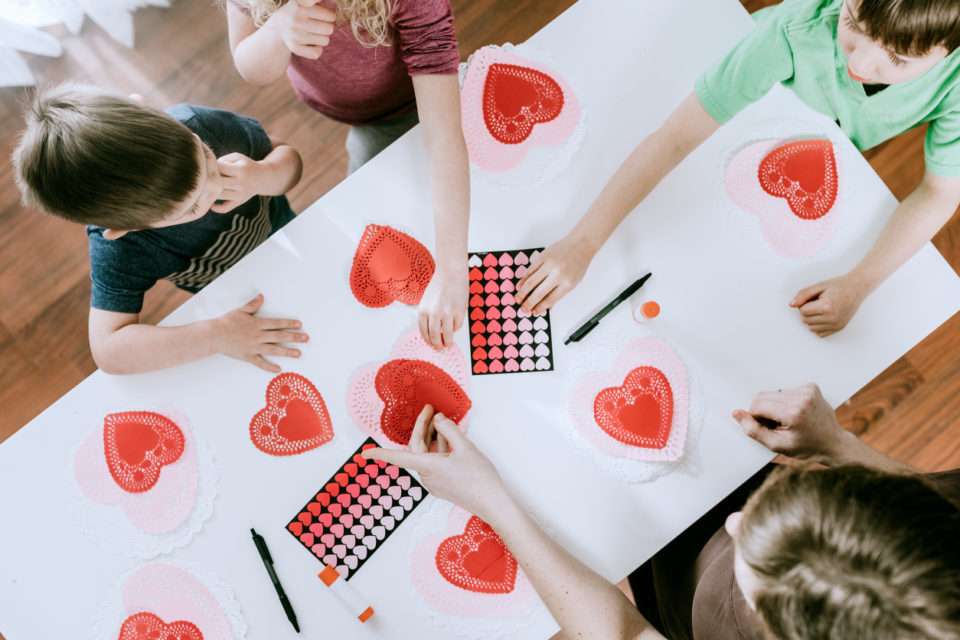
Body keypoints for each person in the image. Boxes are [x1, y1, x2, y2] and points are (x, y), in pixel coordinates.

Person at [516, 0, 960, 338]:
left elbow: (942, 191)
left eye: (898, 59)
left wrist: (861, 282)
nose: (860, 63)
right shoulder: (793, 30)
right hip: (745, 102)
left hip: (822, 145)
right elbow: (674, 137)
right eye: (852, 24)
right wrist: (583, 241)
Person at [366, 386, 960, 639]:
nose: (734, 522)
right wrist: (838, 446)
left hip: (680, 603)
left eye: (751, 565)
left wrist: (489, 500)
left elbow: (623, 630)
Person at [224, 0, 470, 349]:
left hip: (422, 98)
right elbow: (249, 65)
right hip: (362, 118)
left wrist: (453, 273)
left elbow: (443, 131)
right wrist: (278, 29)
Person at [12, 83, 306, 375]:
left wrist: (263, 175)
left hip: (293, 234)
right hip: (238, 298)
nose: (217, 186)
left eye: (205, 156)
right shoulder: (121, 249)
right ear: (123, 228)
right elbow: (108, 351)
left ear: (143, 105)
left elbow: (288, 158)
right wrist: (217, 335)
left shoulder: (200, 124)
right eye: (191, 207)